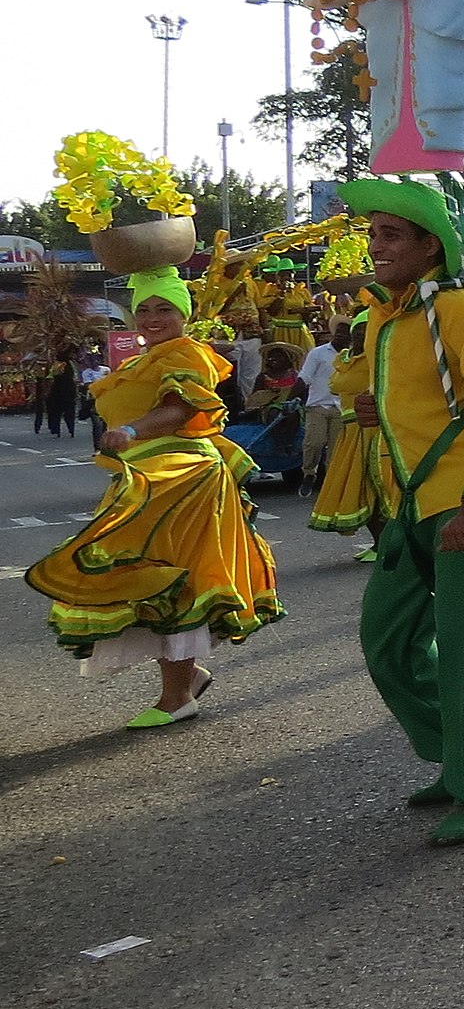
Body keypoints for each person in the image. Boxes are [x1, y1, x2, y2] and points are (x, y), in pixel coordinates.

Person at [341, 177, 464, 845]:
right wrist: (373, 408)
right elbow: (415, 400)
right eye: (373, 234)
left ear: (431, 246)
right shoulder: (384, 318)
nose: (377, 246)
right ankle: (458, 755)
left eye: (392, 234)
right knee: (387, 642)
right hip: (412, 500)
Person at [23, 266, 283, 730]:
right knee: (145, 579)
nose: (152, 317)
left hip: (183, 477)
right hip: (148, 478)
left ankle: (178, 695)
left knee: (171, 579)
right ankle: (186, 679)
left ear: (184, 315)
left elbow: (178, 409)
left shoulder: (187, 354)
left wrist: (130, 429)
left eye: (165, 309)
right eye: (144, 309)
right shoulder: (146, 358)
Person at [310, 306, 390, 562]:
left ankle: (385, 545)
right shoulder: (344, 359)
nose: (359, 335)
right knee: (357, 488)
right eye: (357, 330)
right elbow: (337, 386)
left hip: (371, 430)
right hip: (350, 431)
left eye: (366, 330)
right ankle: (379, 544)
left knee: (372, 488)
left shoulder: (376, 358)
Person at [297, 326, 343, 494]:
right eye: (339, 333)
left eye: (346, 333)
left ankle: (331, 483)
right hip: (317, 406)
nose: (342, 336)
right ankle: (309, 472)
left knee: (336, 449)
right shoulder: (318, 353)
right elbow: (305, 377)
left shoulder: (352, 356)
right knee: (314, 443)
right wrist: (291, 398)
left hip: (340, 408)